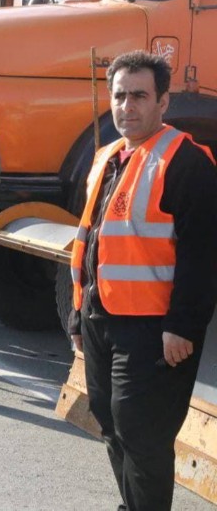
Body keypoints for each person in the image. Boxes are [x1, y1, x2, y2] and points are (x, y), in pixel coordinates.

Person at [68, 50, 217, 511]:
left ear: (163, 102)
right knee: (109, 421)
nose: (127, 106)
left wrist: (184, 326)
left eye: (139, 96)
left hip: (153, 326)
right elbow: (92, 242)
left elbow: (203, 254)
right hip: (101, 316)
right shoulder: (108, 156)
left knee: (142, 430)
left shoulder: (187, 162)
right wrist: (78, 312)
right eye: (119, 96)